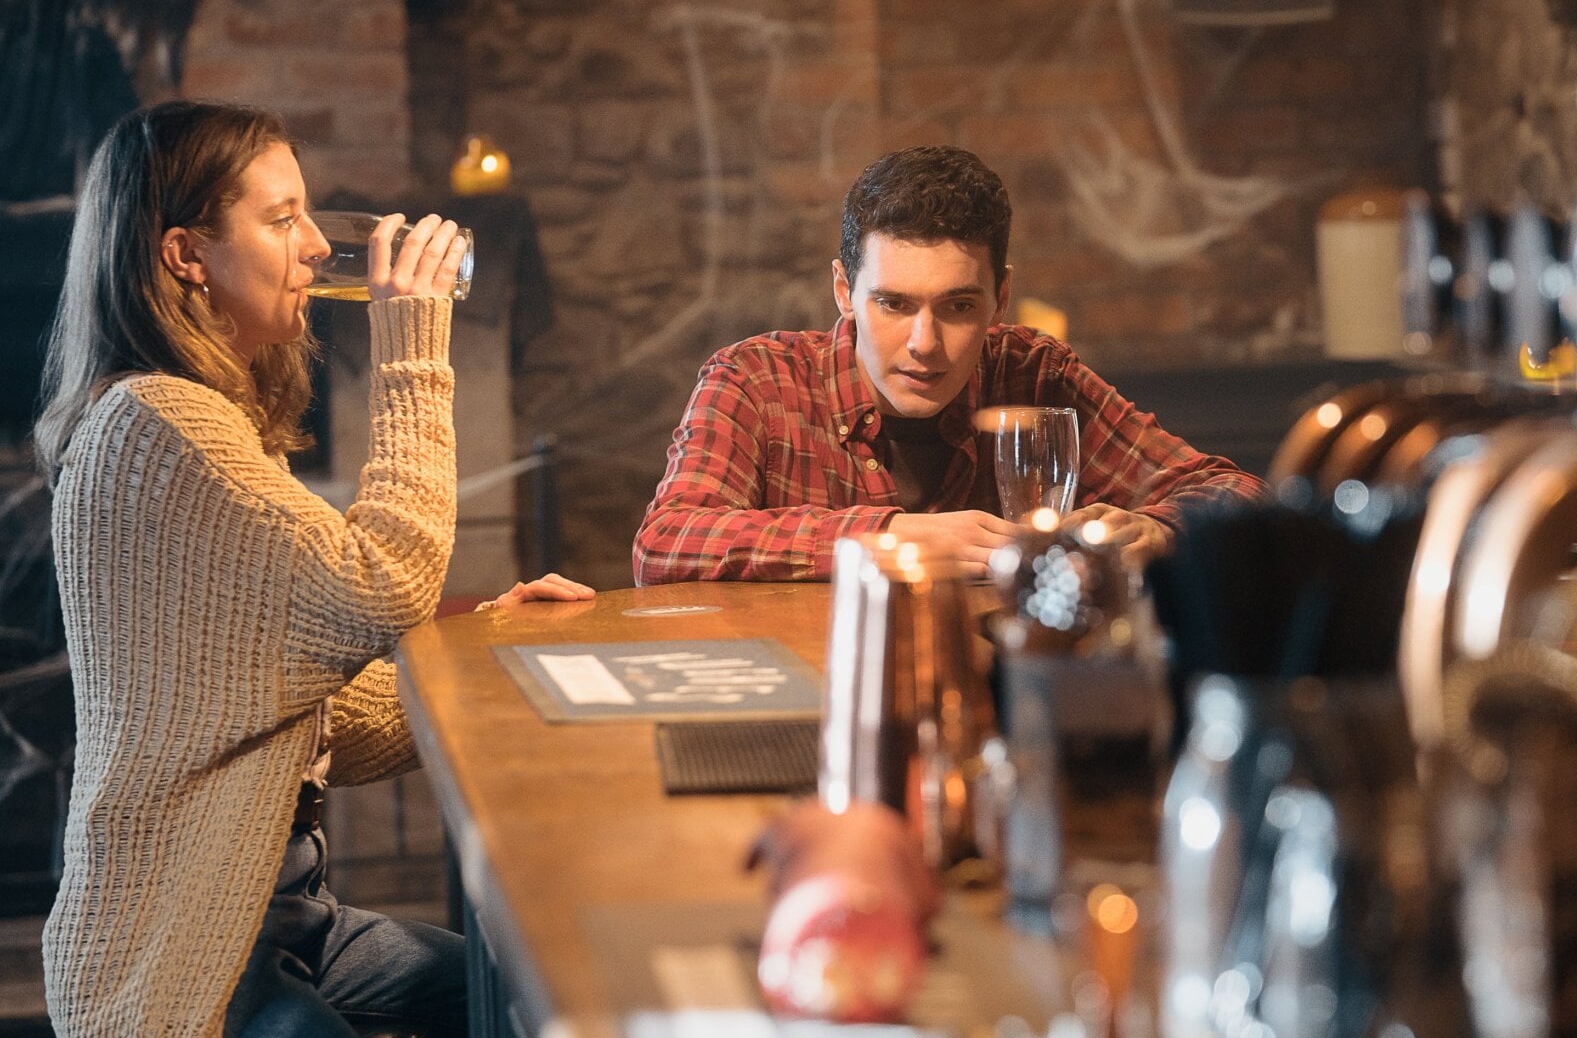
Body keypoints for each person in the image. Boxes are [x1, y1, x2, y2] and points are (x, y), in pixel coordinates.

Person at [33, 101, 594, 1038]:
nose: (310, 246)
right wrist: (412, 341)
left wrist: (496, 640)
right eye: (281, 217)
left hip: (288, 923)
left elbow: (336, 720)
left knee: (530, 991)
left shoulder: (200, 422)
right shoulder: (159, 425)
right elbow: (384, 586)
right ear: (187, 254)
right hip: (183, 945)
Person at [635, 145, 1266, 584]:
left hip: (1001, 695)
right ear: (842, 291)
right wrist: (886, 539)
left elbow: (1240, 497)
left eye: (959, 306)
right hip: (809, 697)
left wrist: (1155, 529)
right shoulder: (756, 380)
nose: (924, 344)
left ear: (1002, 297)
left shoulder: (1033, 374)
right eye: (893, 304)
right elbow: (666, 543)